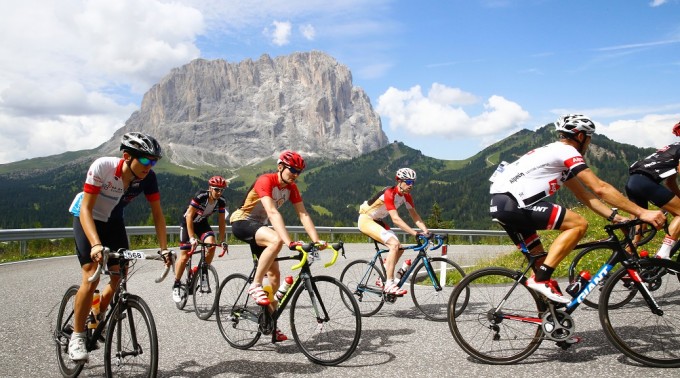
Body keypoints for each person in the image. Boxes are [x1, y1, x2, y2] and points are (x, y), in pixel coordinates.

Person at [489, 114, 665, 304]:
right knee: (578, 224)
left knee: (541, 262)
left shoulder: (554, 154)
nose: (589, 143)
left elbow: (585, 196)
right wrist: (642, 212)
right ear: (581, 137)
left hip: (503, 205)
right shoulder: (567, 152)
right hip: (516, 204)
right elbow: (600, 188)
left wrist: (615, 217)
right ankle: (541, 279)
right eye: (589, 138)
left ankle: (552, 321)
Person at [67, 132, 170, 362]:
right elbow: (86, 210)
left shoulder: (148, 178)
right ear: (126, 156)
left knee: (119, 275)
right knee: (91, 276)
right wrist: (95, 245)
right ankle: (77, 335)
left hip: (113, 221)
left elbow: (157, 214)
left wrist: (164, 249)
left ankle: (97, 312)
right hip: (87, 217)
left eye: (154, 162)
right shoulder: (103, 167)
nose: (149, 166)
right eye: (145, 160)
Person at [229, 150, 326, 342]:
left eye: (299, 171)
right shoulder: (265, 180)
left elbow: (303, 215)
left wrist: (316, 240)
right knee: (276, 240)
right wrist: (288, 241)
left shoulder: (291, 188)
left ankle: (269, 323)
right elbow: (272, 213)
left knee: (274, 278)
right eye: (293, 170)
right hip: (242, 221)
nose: (296, 175)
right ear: (280, 167)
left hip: (260, 227)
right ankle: (255, 285)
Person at [357, 168, 431, 296]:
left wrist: (426, 231)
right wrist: (415, 234)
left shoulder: (407, 196)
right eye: (408, 181)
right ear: (399, 181)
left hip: (377, 220)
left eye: (413, 182)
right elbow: (396, 219)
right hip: (366, 219)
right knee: (394, 245)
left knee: (400, 248)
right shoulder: (389, 193)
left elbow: (415, 216)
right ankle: (389, 284)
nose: (411, 185)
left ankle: (382, 278)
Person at [625, 120, 680, 260]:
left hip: (633, 181)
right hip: (645, 182)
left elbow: (671, 182)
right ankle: (664, 253)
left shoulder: (671, 148)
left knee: (639, 229)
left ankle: (628, 262)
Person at [172, 176, 229, 302]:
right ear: (210, 188)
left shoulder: (221, 201)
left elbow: (221, 222)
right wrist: (192, 238)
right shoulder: (201, 196)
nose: (219, 193)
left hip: (202, 224)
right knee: (185, 255)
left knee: (212, 245)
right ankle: (176, 284)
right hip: (188, 223)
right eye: (216, 190)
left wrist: (222, 239)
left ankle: (200, 271)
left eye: (222, 190)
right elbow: (189, 216)